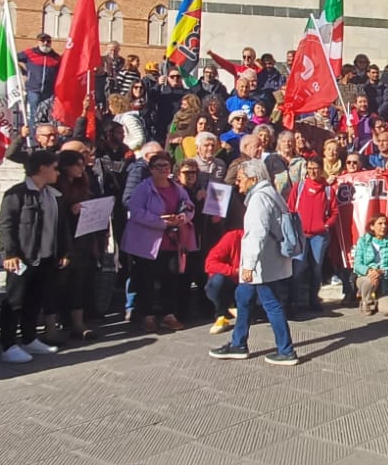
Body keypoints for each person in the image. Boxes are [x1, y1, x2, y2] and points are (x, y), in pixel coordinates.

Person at [209, 159, 298, 365]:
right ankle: (238, 343)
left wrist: (248, 265)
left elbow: (256, 234)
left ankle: (286, 350)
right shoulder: (271, 193)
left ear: (253, 179)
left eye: (241, 179)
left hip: (261, 264)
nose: (237, 183)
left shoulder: (259, 199)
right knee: (243, 298)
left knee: (271, 304)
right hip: (268, 260)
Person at [0, 150, 69, 364]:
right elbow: (6, 224)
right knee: (14, 300)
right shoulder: (17, 193)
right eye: (54, 168)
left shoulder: (53, 195)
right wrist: (10, 253)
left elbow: (60, 227)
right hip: (23, 257)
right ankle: (9, 344)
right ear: (42, 168)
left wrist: (64, 252)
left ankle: (29, 338)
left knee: (35, 299)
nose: (58, 172)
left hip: (46, 257)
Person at [122, 152, 196, 334]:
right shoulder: (143, 188)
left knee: (170, 279)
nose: (163, 169)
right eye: (158, 166)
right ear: (151, 169)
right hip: (147, 243)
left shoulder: (177, 188)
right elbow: (136, 211)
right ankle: (147, 316)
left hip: (171, 242)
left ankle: (168, 314)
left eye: (166, 166)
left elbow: (189, 206)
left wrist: (182, 218)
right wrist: (161, 221)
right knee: (146, 280)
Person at [51, 150, 102, 342]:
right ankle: (57, 322)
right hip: (63, 240)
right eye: (78, 165)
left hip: (83, 240)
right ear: (66, 166)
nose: (82, 168)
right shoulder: (56, 186)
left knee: (79, 282)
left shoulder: (83, 184)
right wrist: (70, 210)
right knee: (60, 283)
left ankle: (78, 324)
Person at [288, 160, 337, 311]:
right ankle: (293, 301)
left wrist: (326, 225)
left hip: (319, 235)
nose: (312, 172)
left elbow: (335, 212)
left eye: (315, 168)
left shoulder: (328, 190)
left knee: (316, 268)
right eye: (309, 169)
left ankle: (313, 299)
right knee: (298, 268)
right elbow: (290, 208)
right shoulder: (299, 187)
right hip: (301, 234)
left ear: (321, 170)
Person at [352, 214, 388, 316]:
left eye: (385, 223)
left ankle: (373, 296)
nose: (383, 226)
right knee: (371, 280)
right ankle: (367, 302)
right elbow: (357, 264)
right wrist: (369, 271)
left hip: (384, 278)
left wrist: (381, 271)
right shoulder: (363, 241)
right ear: (372, 226)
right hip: (365, 277)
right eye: (380, 223)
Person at [19, 33, 62, 116]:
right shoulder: (29, 53)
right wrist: (22, 71)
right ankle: (33, 125)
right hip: (33, 90)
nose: (45, 43)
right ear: (38, 42)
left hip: (49, 93)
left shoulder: (56, 57)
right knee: (34, 114)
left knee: (46, 115)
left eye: (48, 41)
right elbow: (12, 58)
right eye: (43, 40)